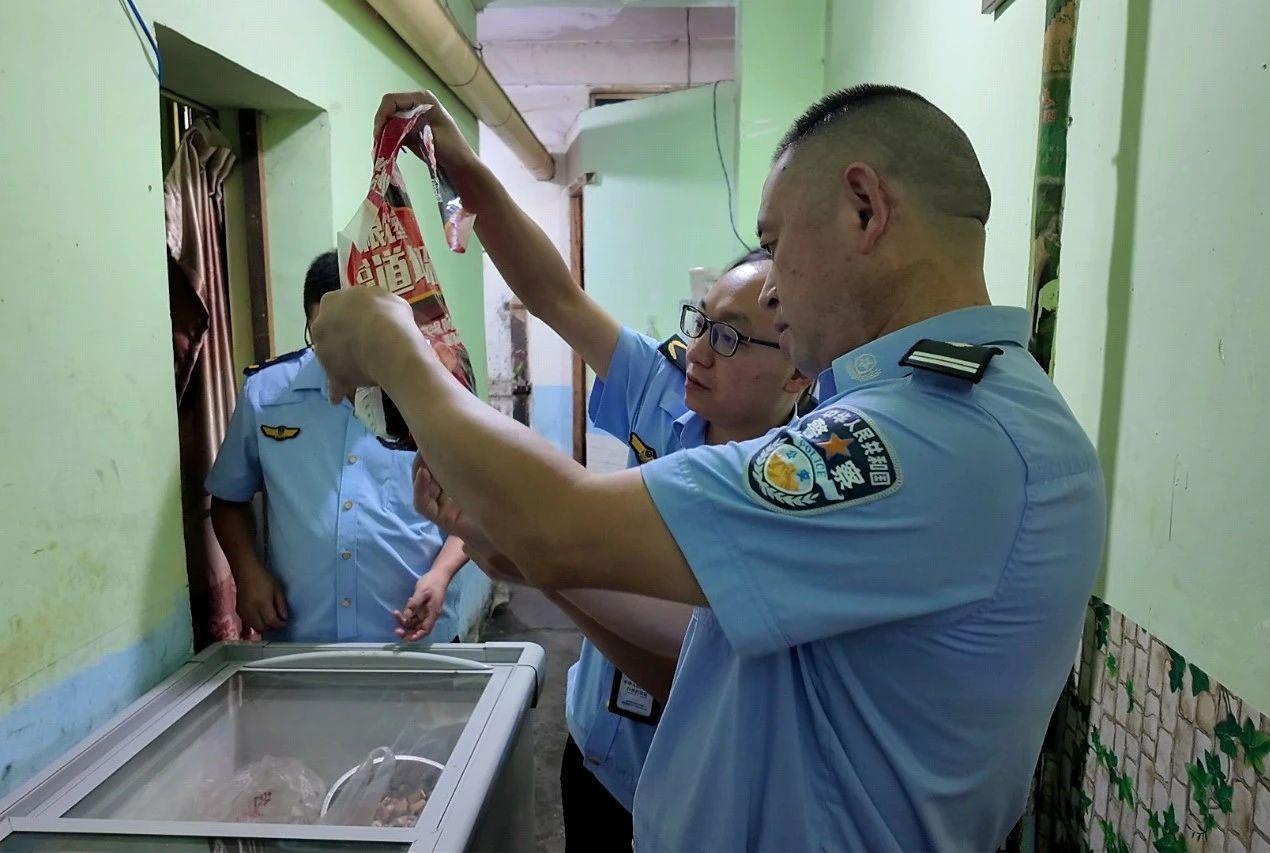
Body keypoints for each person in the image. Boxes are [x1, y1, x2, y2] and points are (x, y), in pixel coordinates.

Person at [313, 84, 1106, 850]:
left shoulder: (934, 435)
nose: (776, 286)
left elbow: (561, 524)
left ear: (865, 209)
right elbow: (709, 648)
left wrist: (391, 342)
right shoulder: (953, 414)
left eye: (777, 243)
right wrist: (530, 553)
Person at [372, 91, 809, 848]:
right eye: (701, 323)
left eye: (732, 338)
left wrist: (520, 549)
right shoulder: (665, 389)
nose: (699, 350)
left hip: (692, 788)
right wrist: (463, 167)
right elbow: (555, 296)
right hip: (596, 748)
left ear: (799, 369)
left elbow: (685, 650)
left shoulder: (795, 486)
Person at [206, 250, 472, 644]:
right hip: (302, 639)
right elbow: (229, 499)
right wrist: (247, 573)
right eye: (323, 336)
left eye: (352, 336)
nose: (337, 352)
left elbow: (476, 508)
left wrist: (441, 573)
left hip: (414, 637)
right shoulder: (266, 394)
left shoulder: (437, 390)